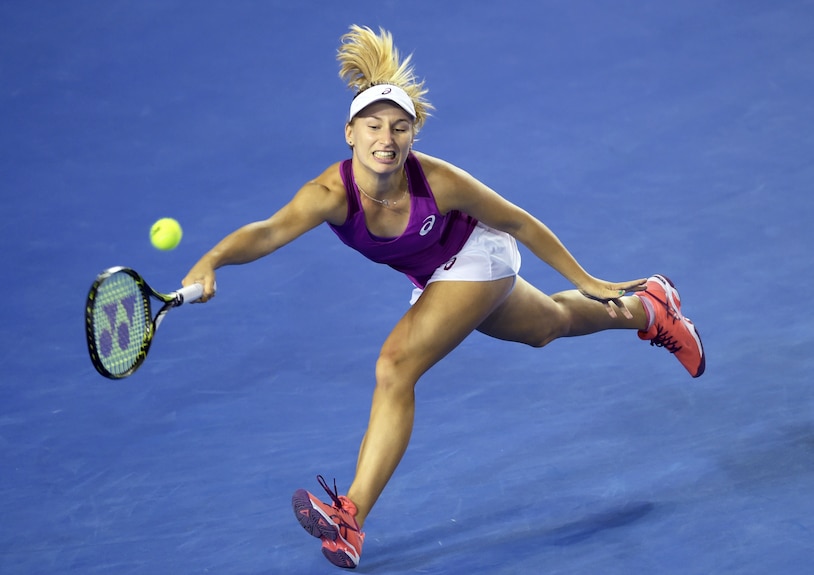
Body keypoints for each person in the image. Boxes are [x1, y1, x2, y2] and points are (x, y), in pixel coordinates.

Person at [181, 24, 706, 569]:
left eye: (400, 128)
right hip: (438, 279)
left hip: (481, 256)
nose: (386, 138)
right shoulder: (327, 195)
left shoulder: (438, 180)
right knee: (547, 325)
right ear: (350, 133)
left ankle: (350, 516)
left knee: (395, 366)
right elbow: (266, 232)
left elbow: (518, 222)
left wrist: (588, 277)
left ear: (413, 135)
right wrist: (213, 258)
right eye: (374, 126)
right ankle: (650, 307)